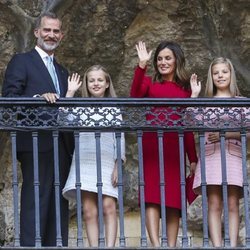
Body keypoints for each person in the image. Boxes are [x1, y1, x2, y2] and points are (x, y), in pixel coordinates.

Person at [2, 12, 73, 246]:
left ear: (61, 35)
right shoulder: (21, 61)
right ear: (36, 33)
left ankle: (55, 245)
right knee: (36, 199)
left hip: (61, 145)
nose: (51, 35)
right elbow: (10, 98)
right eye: (47, 30)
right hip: (35, 142)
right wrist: (37, 98)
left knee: (58, 202)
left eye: (55, 31)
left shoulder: (62, 71)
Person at [130, 41, 198, 247]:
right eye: (159, 58)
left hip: (173, 148)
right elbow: (134, 95)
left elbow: (187, 126)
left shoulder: (186, 90)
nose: (163, 62)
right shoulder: (151, 84)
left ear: (176, 59)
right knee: (152, 195)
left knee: (173, 199)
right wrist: (142, 65)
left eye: (167, 58)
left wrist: (192, 158)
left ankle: (171, 246)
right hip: (152, 145)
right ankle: (156, 245)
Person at [62, 65, 126, 247]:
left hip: (106, 160)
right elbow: (62, 120)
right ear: (87, 84)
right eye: (91, 80)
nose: (96, 83)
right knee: (89, 211)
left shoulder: (114, 108)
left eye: (100, 80)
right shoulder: (79, 106)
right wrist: (69, 93)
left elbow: (119, 137)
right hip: (84, 161)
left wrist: (118, 165)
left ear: (107, 84)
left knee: (109, 207)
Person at [190, 57, 247, 247]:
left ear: (231, 74)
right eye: (216, 73)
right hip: (211, 157)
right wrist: (194, 95)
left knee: (232, 204)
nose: (220, 75)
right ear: (211, 77)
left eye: (224, 71)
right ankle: (216, 245)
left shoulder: (242, 102)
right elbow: (189, 121)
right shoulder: (205, 103)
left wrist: (227, 133)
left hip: (233, 157)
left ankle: (230, 245)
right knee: (214, 204)